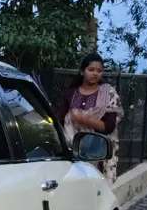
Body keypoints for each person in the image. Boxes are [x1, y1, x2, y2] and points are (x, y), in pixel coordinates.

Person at [53, 53, 124, 183]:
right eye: (91, 70)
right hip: (72, 153)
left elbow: (109, 127)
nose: (95, 73)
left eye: (99, 71)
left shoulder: (108, 94)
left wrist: (84, 120)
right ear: (82, 71)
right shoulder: (71, 93)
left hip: (99, 154)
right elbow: (59, 120)